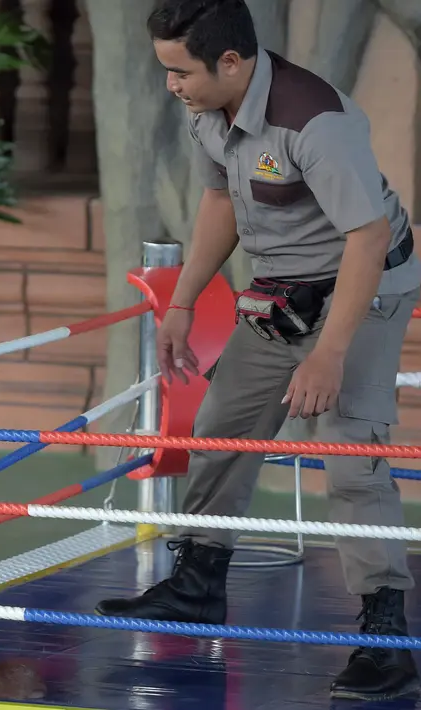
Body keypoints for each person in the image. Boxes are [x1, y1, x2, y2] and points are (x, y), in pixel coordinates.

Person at [93, 0, 421, 702]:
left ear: (231, 62)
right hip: (281, 290)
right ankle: (196, 586)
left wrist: (329, 354)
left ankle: (384, 639)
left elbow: (364, 240)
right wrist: (182, 302)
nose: (170, 85)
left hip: (362, 287)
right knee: (221, 430)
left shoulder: (314, 123)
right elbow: (218, 201)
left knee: (349, 459)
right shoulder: (207, 107)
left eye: (178, 72)